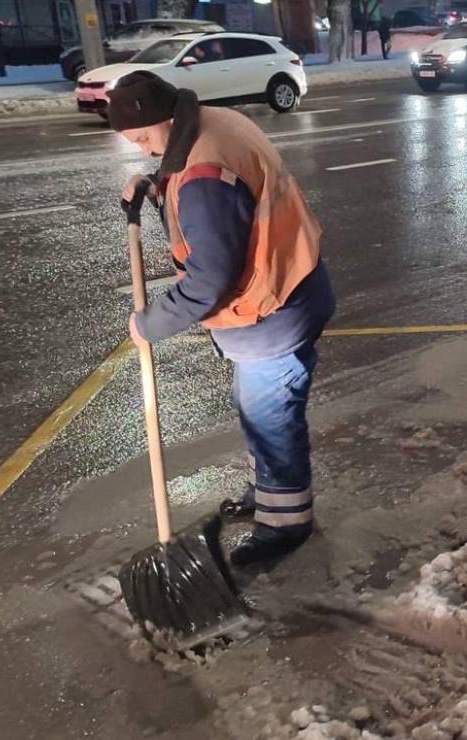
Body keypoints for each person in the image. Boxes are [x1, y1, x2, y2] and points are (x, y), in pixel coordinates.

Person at [108, 71, 336, 568]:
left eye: (145, 139)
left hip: (271, 311)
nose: (146, 150)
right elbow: (193, 173)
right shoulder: (215, 121)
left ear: (167, 119)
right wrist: (153, 185)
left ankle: (285, 525)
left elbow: (208, 279)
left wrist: (149, 323)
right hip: (288, 284)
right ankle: (267, 491)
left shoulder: (205, 173)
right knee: (256, 407)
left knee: (271, 418)